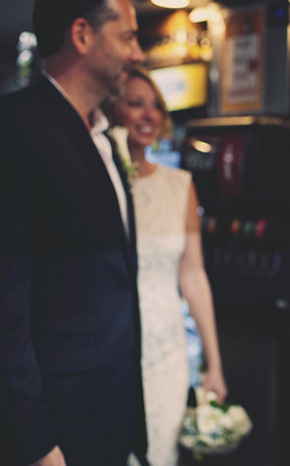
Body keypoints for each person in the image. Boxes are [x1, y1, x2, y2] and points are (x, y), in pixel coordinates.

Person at [0, 1, 147, 465]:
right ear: (82, 35)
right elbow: (6, 300)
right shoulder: (16, 126)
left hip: (109, 410)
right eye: (127, 37)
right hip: (58, 427)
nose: (139, 53)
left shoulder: (102, 135)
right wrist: (37, 442)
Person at [106, 65, 228, 466]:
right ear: (111, 111)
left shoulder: (180, 185)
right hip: (111, 350)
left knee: (161, 453)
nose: (148, 115)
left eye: (155, 106)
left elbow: (193, 278)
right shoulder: (102, 184)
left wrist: (214, 362)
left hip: (168, 354)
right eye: (135, 104)